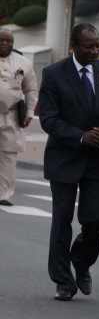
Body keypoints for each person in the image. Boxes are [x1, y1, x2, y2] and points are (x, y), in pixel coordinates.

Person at [40, 24, 99, 301]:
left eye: (97, 46)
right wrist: (81, 137)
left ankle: (81, 260)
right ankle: (63, 280)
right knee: (62, 220)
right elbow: (49, 119)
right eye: (89, 46)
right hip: (65, 158)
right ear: (74, 47)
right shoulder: (54, 74)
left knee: (95, 221)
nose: (95, 51)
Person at [0, 30, 37, 206]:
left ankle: (4, 195)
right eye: (2, 40)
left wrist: (29, 112)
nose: (5, 43)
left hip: (11, 116)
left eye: (9, 40)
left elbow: (31, 90)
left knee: (9, 155)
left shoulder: (24, 63)